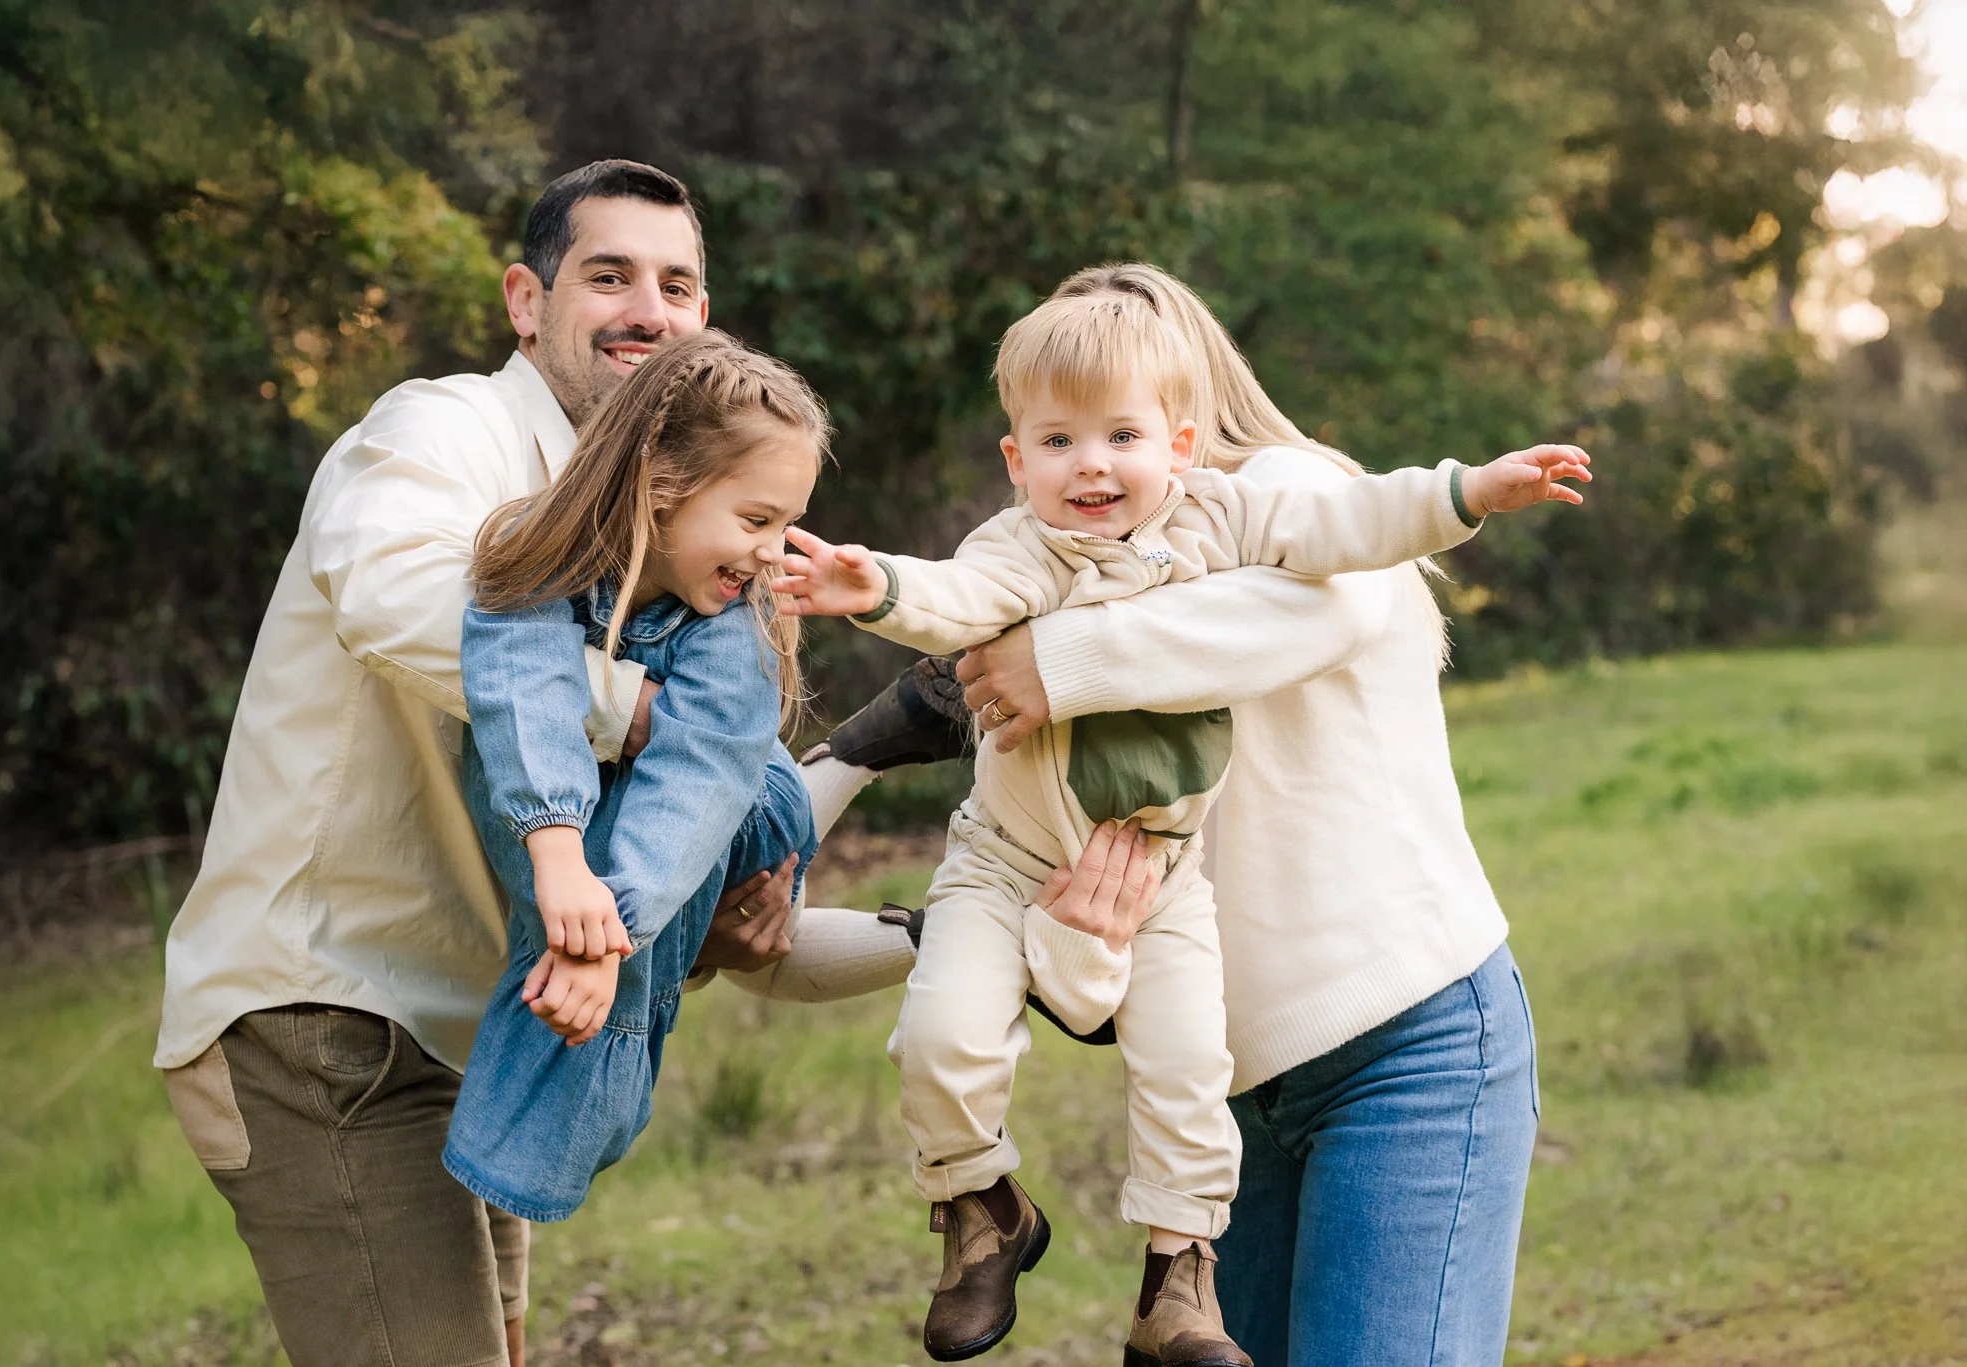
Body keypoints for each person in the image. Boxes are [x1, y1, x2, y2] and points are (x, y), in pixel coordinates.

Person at [778, 289, 1589, 1366]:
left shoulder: (1278, 493)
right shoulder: (1058, 553)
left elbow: (1335, 600)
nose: (1093, 455)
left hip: (1407, 1040)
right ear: (1020, 448)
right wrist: (1064, 936)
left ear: (1183, 400)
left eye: (1120, 416)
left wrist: (1052, 664)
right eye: (1060, 429)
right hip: (1241, 1078)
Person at [153, 160, 862, 1367]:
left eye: (679, 284)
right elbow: (400, 601)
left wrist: (713, 889)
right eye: (609, 275)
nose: (651, 308)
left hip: (488, 1030)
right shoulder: (440, 431)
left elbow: (684, 796)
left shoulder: (671, 531)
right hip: (328, 1017)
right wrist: (643, 711)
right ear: (524, 303)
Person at [442, 331, 829, 1221]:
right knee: (535, 784)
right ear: (661, 489)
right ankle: (857, 765)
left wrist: (603, 933)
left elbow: (702, 773)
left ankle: (582, 1053)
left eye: (785, 525)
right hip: (614, 815)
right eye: (756, 520)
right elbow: (521, 691)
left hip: (743, 801)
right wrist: (560, 860)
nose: (774, 552)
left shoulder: (737, 614)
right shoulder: (538, 546)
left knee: (614, 890)